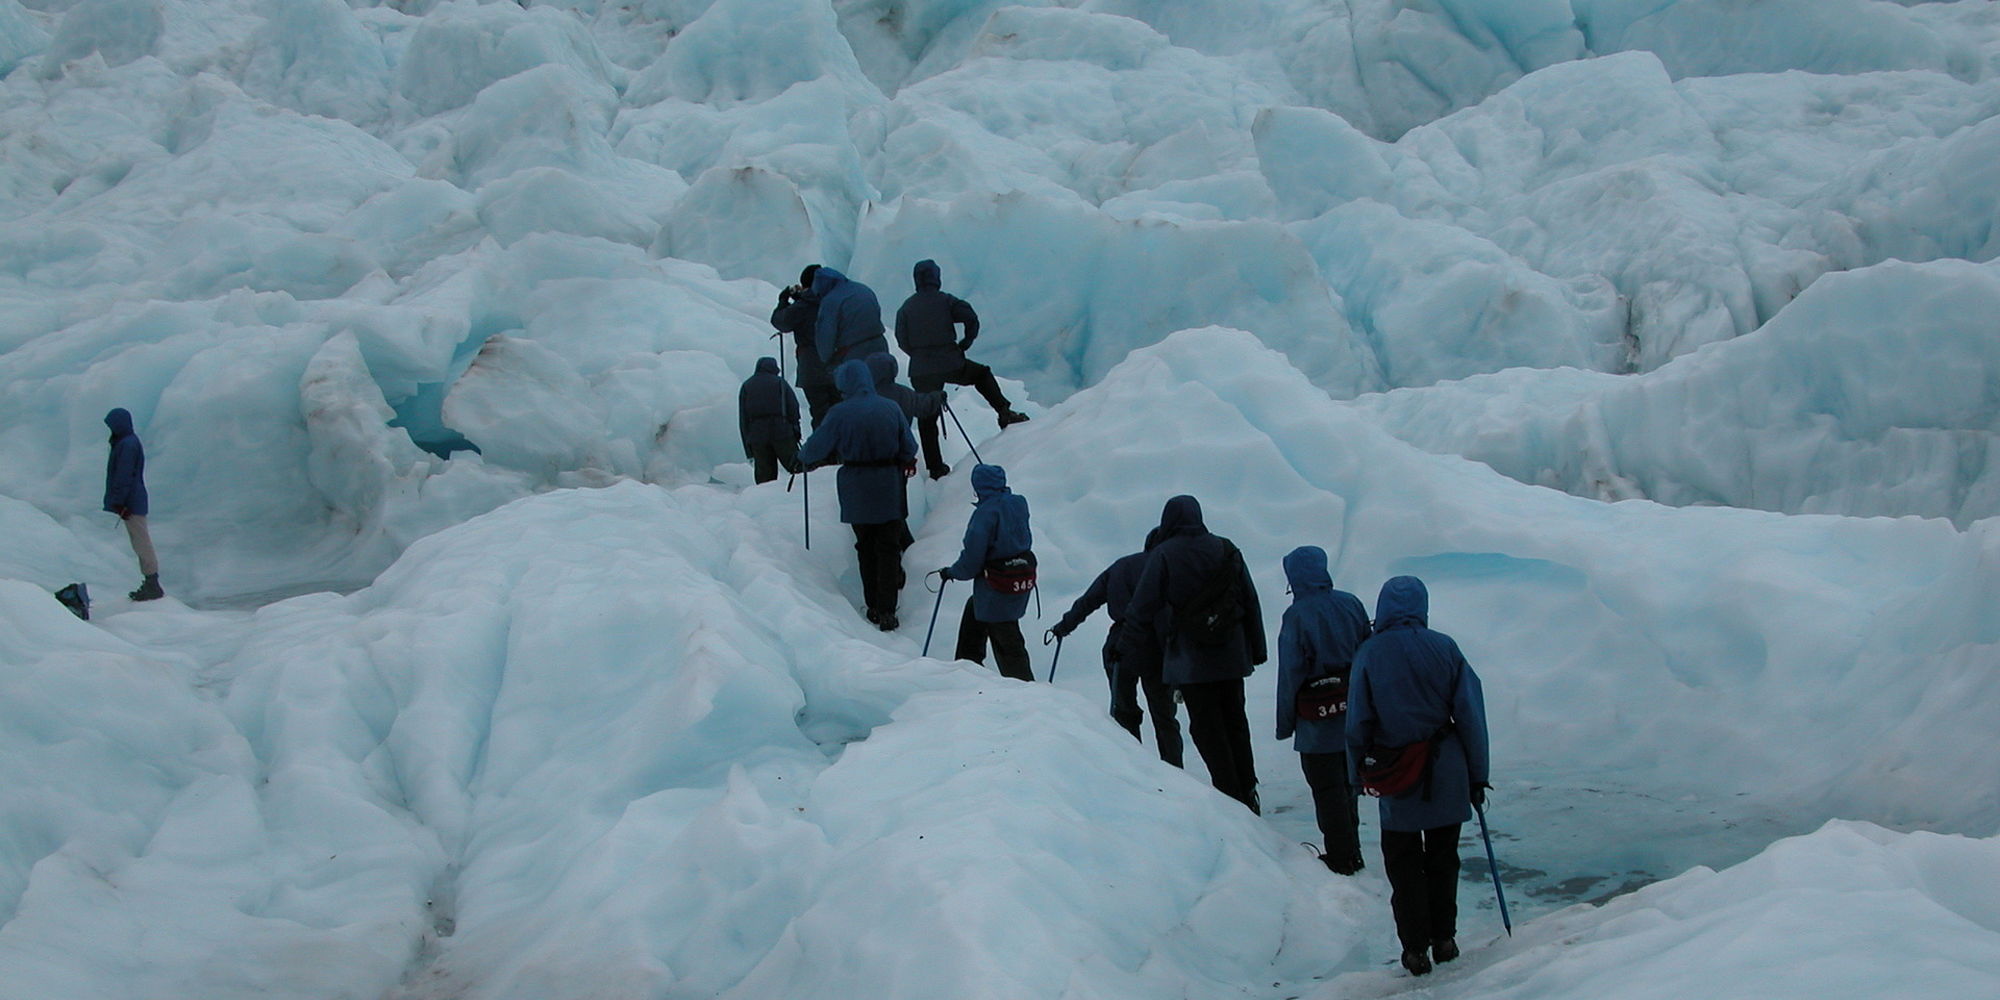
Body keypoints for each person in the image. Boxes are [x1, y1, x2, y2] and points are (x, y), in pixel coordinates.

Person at [1345, 575, 1490, 977]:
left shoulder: (1370, 653)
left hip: (1396, 772)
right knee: (1444, 858)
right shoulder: (1445, 648)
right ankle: (1444, 938)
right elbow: (1471, 716)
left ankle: (1414, 950)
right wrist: (1477, 775)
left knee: (1404, 864)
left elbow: (1357, 720)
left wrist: (1356, 774)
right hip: (1447, 769)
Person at [1122, 495, 1264, 812]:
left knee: (1206, 727)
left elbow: (1142, 608)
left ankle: (1232, 797)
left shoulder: (1164, 555)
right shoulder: (1227, 548)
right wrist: (1256, 650)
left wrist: (1128, 648)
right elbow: (1250, 600)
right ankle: (1248, 788)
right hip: (1231, 654)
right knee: (1236, 722)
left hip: (1192, 659)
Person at [797, 360, 917, 630]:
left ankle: (873, 606)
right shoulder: (890, 407)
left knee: (866, 547)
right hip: (888, 483)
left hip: (856, 486)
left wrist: (802, 457)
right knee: (888, 547)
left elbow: (816, 448)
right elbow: (909, 446)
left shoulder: (839, 413)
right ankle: (889, 609)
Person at [1275, 545, 1372, 875]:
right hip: (1354, 716)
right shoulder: (1350, 604)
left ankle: (1341, 857)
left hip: (1316, 722)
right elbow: (1368, 653)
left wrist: (1285, 722)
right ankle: (1353, 850)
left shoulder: (1297, 615)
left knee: (1327, 791)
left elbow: (1290, 673)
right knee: (1349, 787)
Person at [1049, 530, 1183, 766]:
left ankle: (1132, 767)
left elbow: (1089, 601)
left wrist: (1063, 626)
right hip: (1157, 647)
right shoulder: (1167, 569)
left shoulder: (1121, 566)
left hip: (1119, 647)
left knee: (1124, 711)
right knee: (1164, 717)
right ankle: (1174, 771)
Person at [893, 259, 1029, 479]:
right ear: (936, 277)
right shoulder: (946, 301)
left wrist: (919, 356)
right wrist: (965, 343)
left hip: (921, 370)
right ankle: (1004, 412)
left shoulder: (906, 308)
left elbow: (902, 340)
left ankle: (936, 467)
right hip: (951, 362)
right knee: (981, 374)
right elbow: (970, 317)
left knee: (927, 418)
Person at [937, 464, 1035, 682]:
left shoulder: (985, 514)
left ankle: (1025, 689)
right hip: (1018, 578)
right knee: (975, 610)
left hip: (996, 585)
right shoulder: (1019, 503)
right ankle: (966, 668)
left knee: (1006, 640)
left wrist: (952, 572)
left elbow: (972, 559)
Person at [102, 407, 163, 601]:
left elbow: (124, 476)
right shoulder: (127, 442)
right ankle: (150, 581)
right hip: (133, 499)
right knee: (139, 541)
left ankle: (152, 583)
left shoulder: (127, 444)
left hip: (131, 502)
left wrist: (120, 502)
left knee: (141, 542)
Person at [771, 266, 838, 428]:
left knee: (821, 414)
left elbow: (780, 321)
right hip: (838, 365)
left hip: (811, 368)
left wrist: (783, 302)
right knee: (840, 411)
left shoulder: (801, 307)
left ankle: (825, 450)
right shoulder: (834, 301)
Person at [810, 266, 891, 373]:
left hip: (854, 353)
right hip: (880, 345)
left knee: (859, 386)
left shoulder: (830, 301)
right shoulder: (863, 289)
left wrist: (826, 359)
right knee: (883, 382)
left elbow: (826, 333)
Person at [737, 357, 801, 485]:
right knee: (796, 467)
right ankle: (799, 495)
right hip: (782, 431)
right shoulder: (780, 383)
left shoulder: (747, 386)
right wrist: (795, 430)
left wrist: (748, 448)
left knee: (764, 475)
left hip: (757, 435)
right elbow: (793, 407)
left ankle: (765, 500)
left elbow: (744, 419)